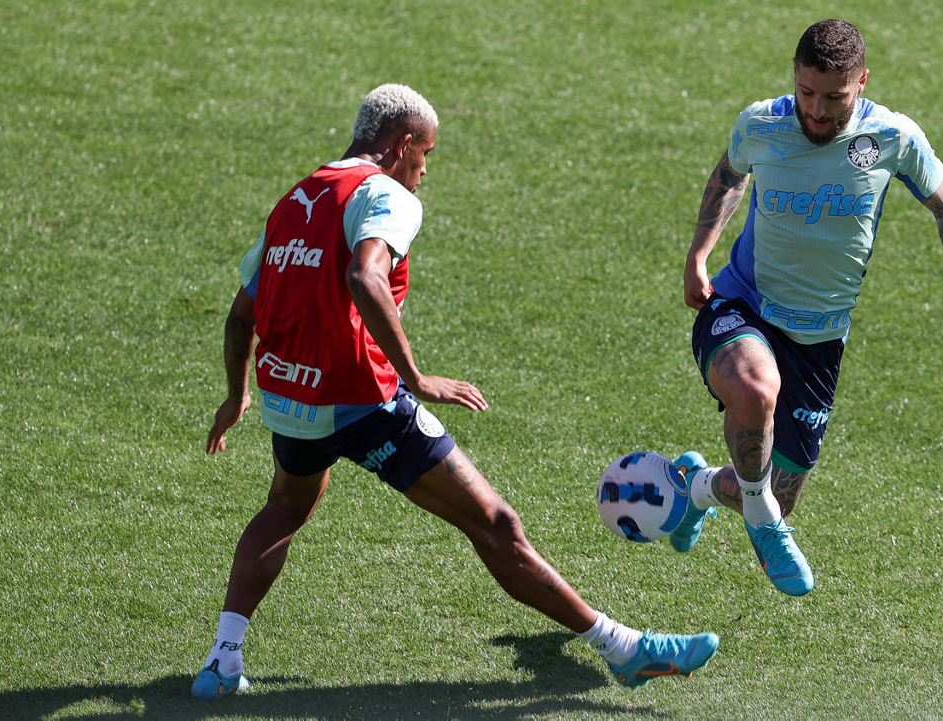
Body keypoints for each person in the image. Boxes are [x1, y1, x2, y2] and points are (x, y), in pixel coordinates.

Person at [192, 84, 718, 698]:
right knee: (495, 523)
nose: (424, 172)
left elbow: (240, 317)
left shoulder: (296, 200)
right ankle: (622, 649)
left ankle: (222, 662)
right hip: (362, 399)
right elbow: (366, 276)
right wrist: (416, 378)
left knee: (284, 508)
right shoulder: (385, 195)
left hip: (290, 398)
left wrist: (237, 395)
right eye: (427, 154)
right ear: (402, 144)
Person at [667, 20, 943, 595]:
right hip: (745, 302)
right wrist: (699, 255)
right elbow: (728, 176)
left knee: (776, 490)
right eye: (806, 92)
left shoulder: (893, 137)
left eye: (834, 97)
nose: (816, 111)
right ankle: (763, 522)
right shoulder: (762, 124)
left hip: (820, 335)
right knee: (754, 390)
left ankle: (696, 487)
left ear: (861, 82)